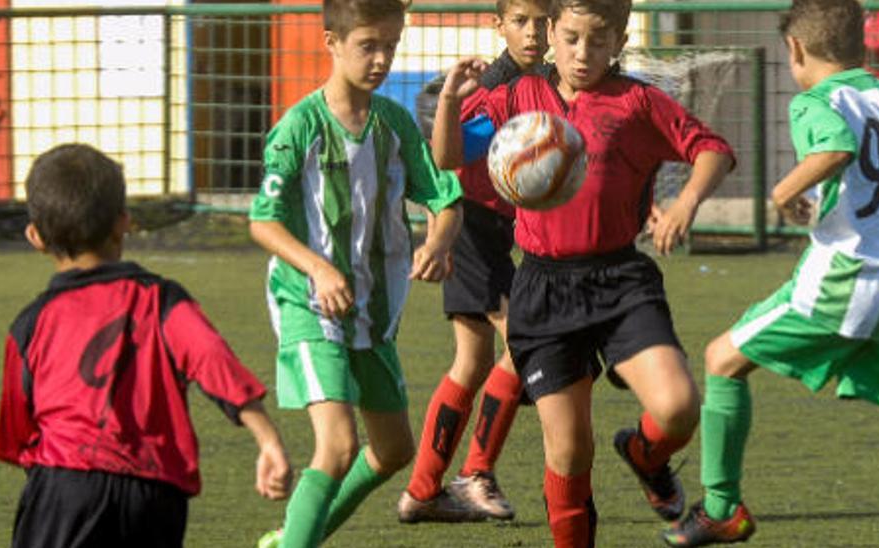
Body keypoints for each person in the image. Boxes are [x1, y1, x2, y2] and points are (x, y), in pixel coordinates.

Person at [662, 0, 879, 546]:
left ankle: (722, 507)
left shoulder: (817, 100)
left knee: (722, 358)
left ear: (795, 49)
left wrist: (782, 192)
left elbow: (837, 148)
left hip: (845, 277)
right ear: (860, 47)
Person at [433, 0, 736, 544]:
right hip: (543, 288)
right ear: (553, 31)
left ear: (619, 40)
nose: (582, 52)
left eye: (598, 40)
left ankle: (645, 454)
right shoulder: (517, 96)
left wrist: (688, 201)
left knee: (678, 406)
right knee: (570, 452)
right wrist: (449, 103)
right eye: (571, 37)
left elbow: (712, 148)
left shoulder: (637, 101)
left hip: (621, 280)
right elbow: (448, 156)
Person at [0, 143, 293, 547]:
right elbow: (210, 357)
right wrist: (267, 438)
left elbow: (18, 433)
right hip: (153, 492)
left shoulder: (30, 325)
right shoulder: (162, 300)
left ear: (35, 236)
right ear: (123, 223)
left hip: (65, 484)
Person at [248, 0, 465, 545]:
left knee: (393, 451)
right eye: (369, 45)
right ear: (332, 43)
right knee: (339, 445)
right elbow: (263, 222)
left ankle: (294, 539)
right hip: (310, 304)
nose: (382, 58)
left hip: (371, 312)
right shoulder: (298, 127)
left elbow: (446, 200)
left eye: (391, 45)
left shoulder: (393, 126)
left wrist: (439, 242)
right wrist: (318, 268)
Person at [397, 0, 552, 524]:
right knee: (524, 340)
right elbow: (451, 156)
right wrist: (437, 235)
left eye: (544, 21)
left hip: (502, 229)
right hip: (469, 224)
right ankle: (475, 474)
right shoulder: (492, 91)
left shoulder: (550, 83)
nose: (534, 32)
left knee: (472, 361)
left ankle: (422, 490)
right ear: (499, 26)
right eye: (522, 21)